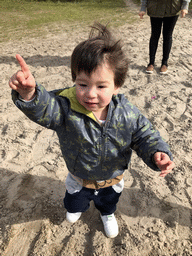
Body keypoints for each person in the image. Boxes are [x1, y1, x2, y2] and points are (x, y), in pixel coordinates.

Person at [9, 23, 175, 238]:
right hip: (78, 177)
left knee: (108, 202)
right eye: (83, 84)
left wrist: (157, 152)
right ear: (74, 80)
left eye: (101, 86)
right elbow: (45, 109)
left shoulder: (127, 113)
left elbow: (145, 135)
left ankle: (107, 214)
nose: (90, 94)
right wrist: (29, 94)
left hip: (112, 179)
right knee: (74, 201)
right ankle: (76, 208)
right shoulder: (65, 107)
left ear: (117, 85)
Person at [139, 0, 191, 74]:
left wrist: (185, 6)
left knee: (167, 36)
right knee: (154, 36)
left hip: (172, 9)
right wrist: (143, 8)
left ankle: (164, 63)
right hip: (155, 9)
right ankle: (151, 63)